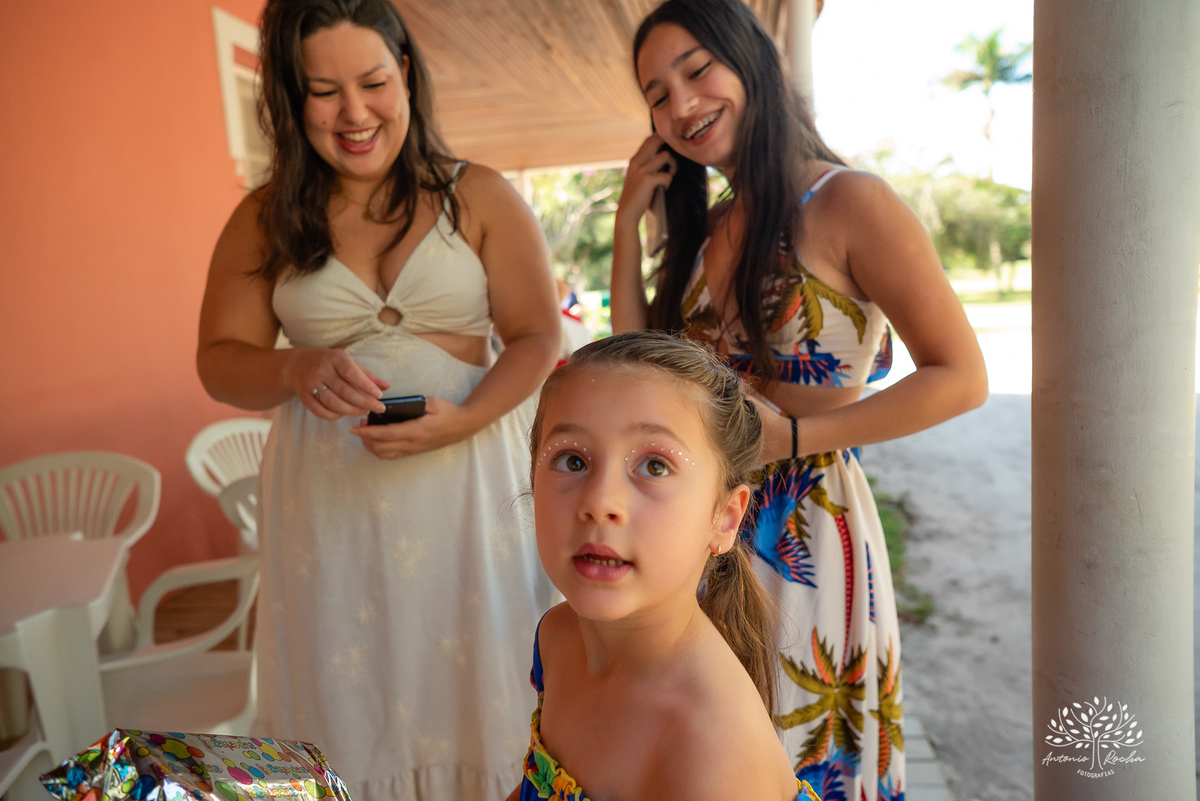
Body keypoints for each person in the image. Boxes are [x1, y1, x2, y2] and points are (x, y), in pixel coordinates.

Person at [610, 2, 989, 799]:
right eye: (655, 92)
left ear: (751, 64)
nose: (678, 103)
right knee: (705, 754)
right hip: (701, 529)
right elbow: (642, 372)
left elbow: (960, 376)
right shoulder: (710, 226)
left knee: (796, 755)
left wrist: (797, 434)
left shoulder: (848, 203)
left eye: (696, 69)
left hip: (804, 528)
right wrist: (625, 228)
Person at [196, 0, 560, 798]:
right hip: (330, 500)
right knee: (348, 690)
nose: (353, 113)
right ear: (291, 101)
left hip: (469, 485)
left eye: (371, 82)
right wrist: (291, 370)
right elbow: (219, 363)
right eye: (323, 90)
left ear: (406, 76)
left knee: (480, 678)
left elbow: (537, 337)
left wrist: (464, 417)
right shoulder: (263, 219)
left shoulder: (481, 196)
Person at [510, 331, 822, 801]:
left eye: (654, 466)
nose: (600, 502)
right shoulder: (557, 636)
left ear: (725, 518)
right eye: (572, 460)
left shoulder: (712, 757)